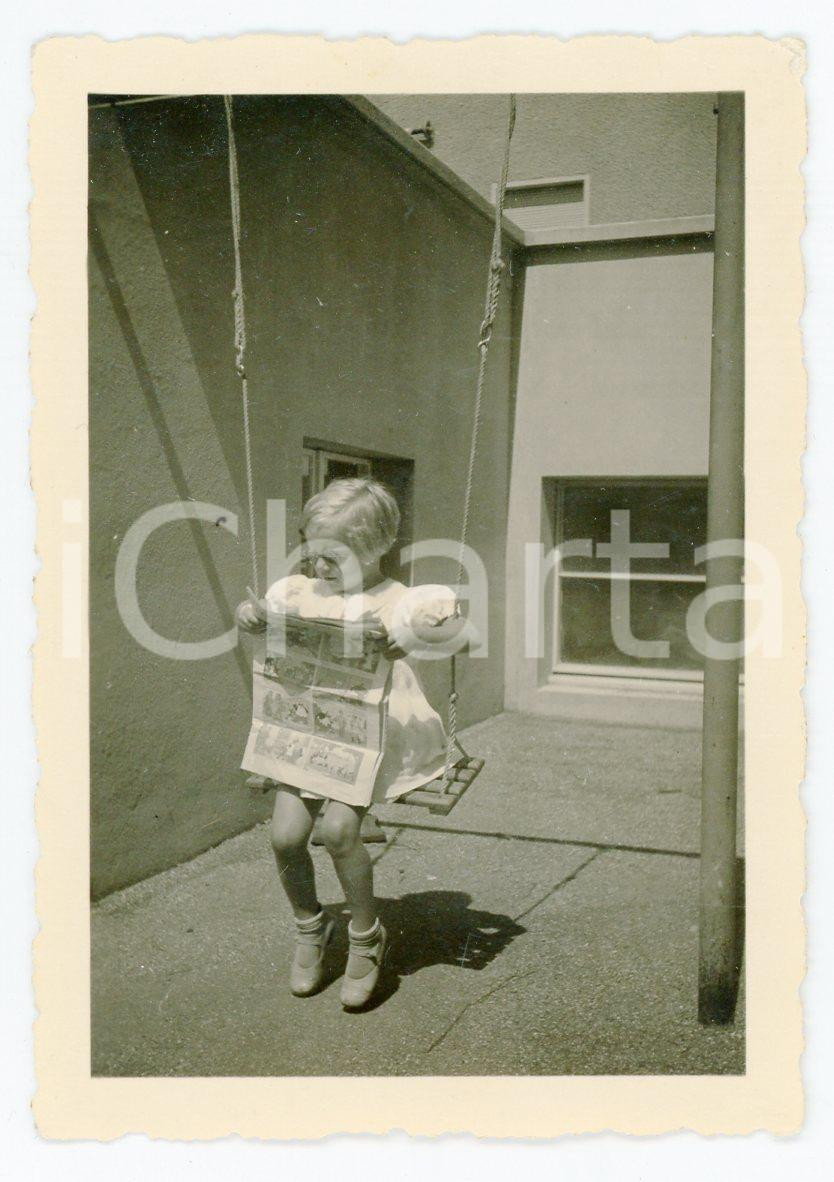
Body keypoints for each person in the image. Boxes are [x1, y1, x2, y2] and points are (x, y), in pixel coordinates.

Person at [236, 478, 465, 1010]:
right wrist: (250, 618)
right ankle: (311, 925)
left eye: (334, 558)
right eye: (312, 553)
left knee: (339, 831)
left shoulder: (401, 601)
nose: (319, 568)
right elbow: (259, 623)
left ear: (376, 548)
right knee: (287, 837)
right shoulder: (298, 591)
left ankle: (366, 935)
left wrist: (404, 640)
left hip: (372, 734)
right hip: (307, 731)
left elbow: (457, 634)